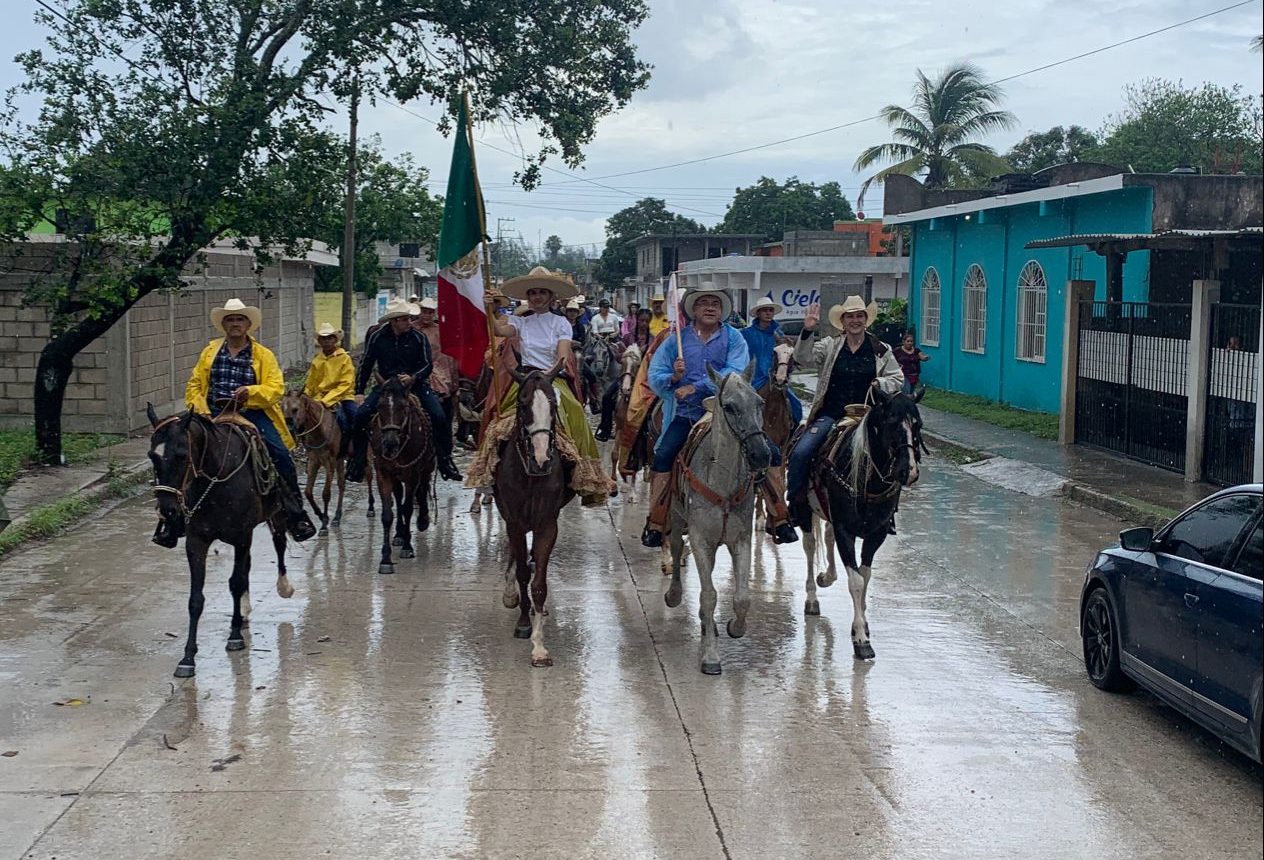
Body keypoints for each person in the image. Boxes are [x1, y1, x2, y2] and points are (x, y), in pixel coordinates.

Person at [640, 289, 798, 547]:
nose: (710, 307)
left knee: (769, 453)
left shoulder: (734, 338)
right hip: (689, 413)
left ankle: (779, 517)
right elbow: (655, 375)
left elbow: (735, 372)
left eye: (715, 303)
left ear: (722, 310)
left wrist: (696, 386)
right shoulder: (674, 341)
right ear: (693, 310)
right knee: (663, 456)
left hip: (729, 411)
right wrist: (674, 377)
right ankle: (656, 522)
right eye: (703, 303)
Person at [467, 266, 613, 506]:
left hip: (552, 377)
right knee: (496, 417)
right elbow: (498, 330)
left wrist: (547, 376)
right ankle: (488, 475)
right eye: (532, 292)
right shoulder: (521, 322)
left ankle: (584, 475)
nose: (536, 297)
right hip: (524, 379)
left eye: (542, 292)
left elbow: (562, 356)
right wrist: (489, 309)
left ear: (551, 296)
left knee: (576, 411)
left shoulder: (561, 323)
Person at [185, 298, 317, 541]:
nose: (235, 323)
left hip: (251, 412)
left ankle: (296, 515)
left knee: (281, 456)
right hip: (212, 411)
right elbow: (194, 384)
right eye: (230, 319)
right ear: (224, 325)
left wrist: (250, 392)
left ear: (248, 325)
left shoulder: (263, 355)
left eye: (240, 319)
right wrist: (201, 409)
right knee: (178, 447)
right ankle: (174, 516)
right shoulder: (209, 352)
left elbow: (275, 388)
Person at [787, 296, 904, 529]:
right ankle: (796, 504)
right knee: (800, 452)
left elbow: (897, 378)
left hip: (870, 417)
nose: (855, 320)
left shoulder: (880, 349)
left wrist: (880, 383)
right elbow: (803, 358)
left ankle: (888, 510)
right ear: (842, 321)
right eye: (850, 316)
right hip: (832, 415)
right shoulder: (830, 345)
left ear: (866, 319)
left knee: (896, 455)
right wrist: (808, 331)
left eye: (859, 316)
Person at [346, 298, 462, 483]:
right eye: (406, 319)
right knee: (361, 415)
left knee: (439, 416)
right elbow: (366, 364)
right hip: (387, 385)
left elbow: (427, 365)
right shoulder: (377, 337)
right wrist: (359, 391)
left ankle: (444, 460)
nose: (410, 321)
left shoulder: (418, 337)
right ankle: (358, 462)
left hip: (416, 384)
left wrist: (413, 377)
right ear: (394, 321)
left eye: (409, 318)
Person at [740, 296, 803, 425]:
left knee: (795, 405)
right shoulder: (746, 334)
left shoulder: (779, 334)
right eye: (765, 310)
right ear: (758, 313)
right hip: (753, 378)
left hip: (775, 377)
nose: (768, 313)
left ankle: (794, 429)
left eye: (770, 310)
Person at [303, 322, 358, 450]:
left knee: (354, 418)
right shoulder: (317, 360)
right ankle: (305, 445)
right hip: (319, 398)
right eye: (323, 338)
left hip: (342, 397)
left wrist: (326, 401)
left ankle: (353, 448)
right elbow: (311, 383)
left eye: (329, 338)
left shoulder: (344, 358)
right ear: (319, 341)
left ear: (335, 340)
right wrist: (306, 397)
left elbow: (346, 384)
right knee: (300, 419)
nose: (326, 341)